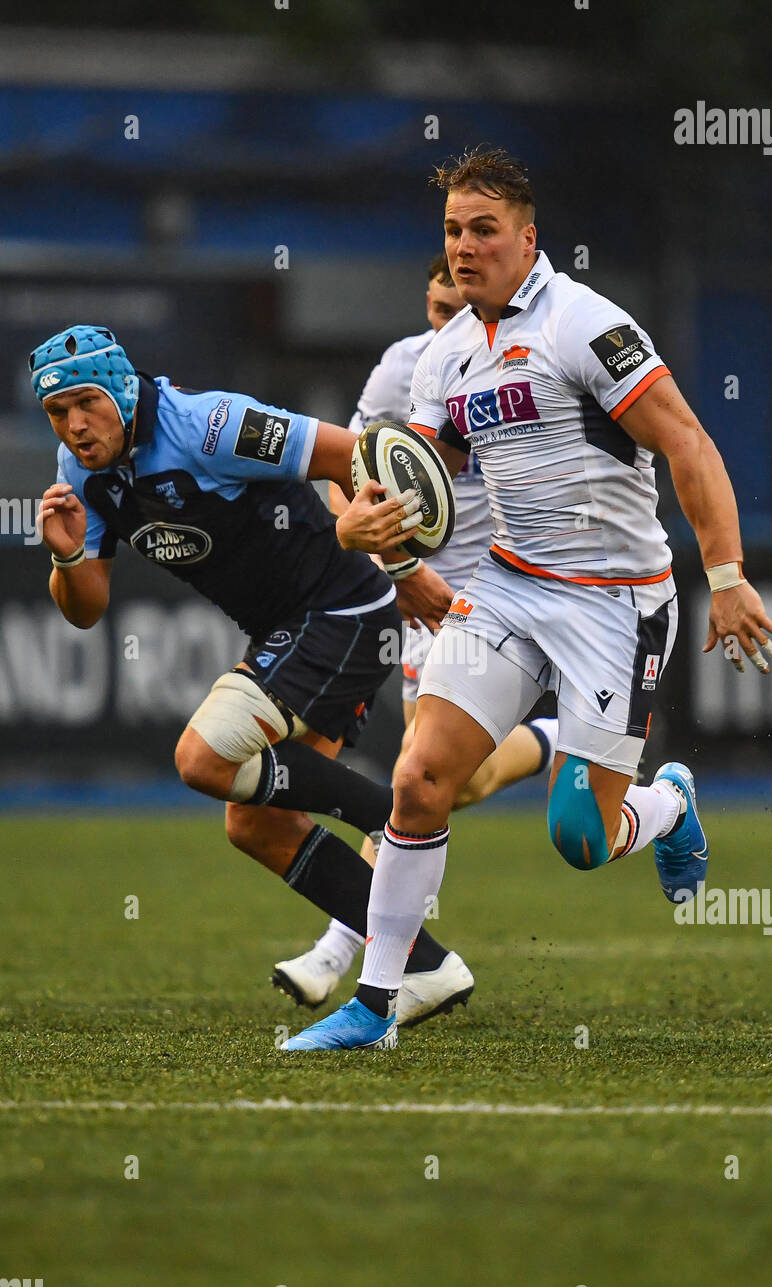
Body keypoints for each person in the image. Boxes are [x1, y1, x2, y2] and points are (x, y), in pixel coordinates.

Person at [281, 146, 772, 1053]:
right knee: (418, 779)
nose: (466, 247)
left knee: (580, 840)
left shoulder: (584, 326)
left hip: (616, 603)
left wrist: (727, 576)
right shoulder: (443, 356)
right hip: (510, 586)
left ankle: (667, 803)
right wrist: (367, 534)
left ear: (527, 238)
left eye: (484, 230)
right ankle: (375, 1006)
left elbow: (690, 444)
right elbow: (407, 480)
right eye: (452, 231)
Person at [31, 323, 473, 1024]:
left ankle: (390, 818)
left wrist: (403, 563)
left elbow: (354, 457)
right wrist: (63, 559)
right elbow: (86, 611)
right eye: (57, 412)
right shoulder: (79, 469)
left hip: (342, 609)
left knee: (201, 759)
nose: (74, 424)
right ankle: (426, 965)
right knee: (257, 827)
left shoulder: (209, 425)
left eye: (85, 402)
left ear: (120, 386)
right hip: (293, 628)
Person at [273, 253, 558, 1023]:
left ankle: (342, 955)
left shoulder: (532, 363)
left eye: (455, 309)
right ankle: (553, 741)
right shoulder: (405, 367)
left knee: (417, 780)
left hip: (511, 594)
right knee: (443, 785)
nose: (445, 324)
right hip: (425, 604)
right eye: (435, 309)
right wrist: (383, 550)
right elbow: (347, 466)